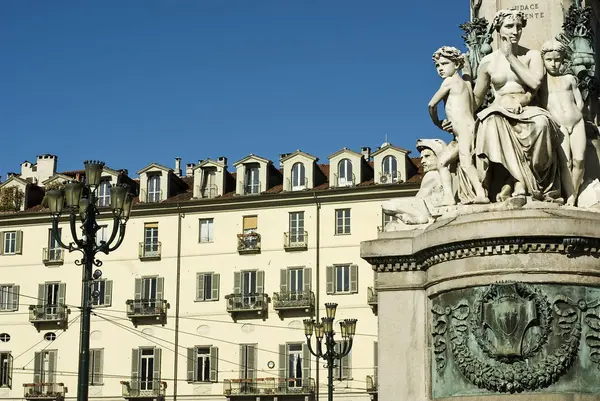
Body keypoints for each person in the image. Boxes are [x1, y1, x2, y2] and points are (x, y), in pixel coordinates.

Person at [452, 9, 562, 202]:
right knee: (490, 121)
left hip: (527, 109)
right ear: (499, 30)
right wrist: (457, 112)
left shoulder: (532, 56)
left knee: (542, 124)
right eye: (509, 26)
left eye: (518, 26)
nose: (515, 31)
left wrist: (510, 56)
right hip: (498, 109)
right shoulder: (488, 61)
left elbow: (535, 84)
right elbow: (477, 98)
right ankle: (512, 181)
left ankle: (526, 181)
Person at [428, 46, 489, 204]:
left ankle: (481, 194)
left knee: (466, 162)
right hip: (463, 131)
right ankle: (449, 197)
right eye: (437, 66)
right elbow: (468, 76)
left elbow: (431, 105)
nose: (440, 68)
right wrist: (466, 62)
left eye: (444, 64)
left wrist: (438, 123)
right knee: (441, 162)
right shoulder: (465, 84)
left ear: (456, 65)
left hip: (464, 131)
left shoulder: (449, 82)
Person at [539, 39, 586, 206]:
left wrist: (576, 114)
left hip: (577, 122)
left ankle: (574, 192)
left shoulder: (570, 79)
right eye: (549, 60)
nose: (553, 64)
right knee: (565, 163)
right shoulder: (541, 82)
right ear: (543, 60)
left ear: (562, 59)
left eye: (557, 60)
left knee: (579, 160)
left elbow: (579, 101)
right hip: (559, 126)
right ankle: (571, 197)